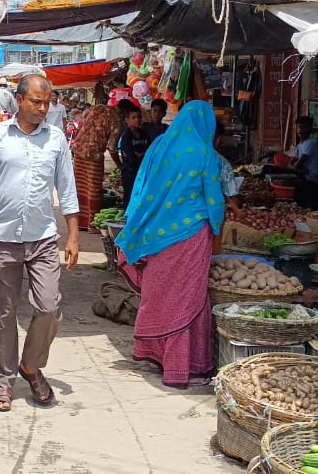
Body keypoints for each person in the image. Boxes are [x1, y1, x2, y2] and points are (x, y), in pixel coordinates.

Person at [0, 74, 80, 412]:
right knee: (1, 315)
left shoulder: (56, 140)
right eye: (37, 102)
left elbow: (67, 191)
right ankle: (5, 378)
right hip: (1, 238)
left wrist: (73, 236)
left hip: (42, 238)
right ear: (20, 100)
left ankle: (30, 365)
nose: (43, 108)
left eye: (47, 102)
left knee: (48, 306)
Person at [115, 100, 238, 387]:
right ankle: (183, 366)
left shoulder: (159, 145)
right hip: (191, 234)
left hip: (156, 233)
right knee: (188, 297)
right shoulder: (205, 153)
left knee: (160, 294)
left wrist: (136, 220)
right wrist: (220, 226)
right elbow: (214, 200)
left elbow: (142, 184)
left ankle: (159, 356)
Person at [70, 101, 124, 229]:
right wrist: (120, 166)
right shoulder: (116, 120)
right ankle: (91, 224)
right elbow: (112, 148)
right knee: (93, 190)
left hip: (79, 151)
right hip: (94, 157)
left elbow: (82, 124)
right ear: (124, 113)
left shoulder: (96, 108)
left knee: (80, 187)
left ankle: (79, 222)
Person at [117, 103, 151, 205]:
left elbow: (150, 152)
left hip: (143, 172)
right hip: (130, 173)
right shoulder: (126, 137)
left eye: (139, 117)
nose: (137, 120)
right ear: (127, 120)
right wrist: (142, 154)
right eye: (133, 117)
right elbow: (131, 157)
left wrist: (140, 154)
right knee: (130, 198)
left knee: (141, 198)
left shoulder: (145, 134)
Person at [290, 115, 318, 181]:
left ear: (309, 129)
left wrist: (296, 166)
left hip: (310, 178)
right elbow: (289, 164)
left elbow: (297, 165)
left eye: (304, 127)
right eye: (299, 127)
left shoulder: (310, 143)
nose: (300, 130)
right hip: (303, 175)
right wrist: (299, 167)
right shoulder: (299, 145)